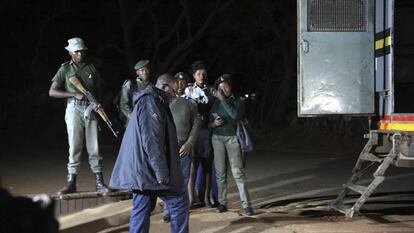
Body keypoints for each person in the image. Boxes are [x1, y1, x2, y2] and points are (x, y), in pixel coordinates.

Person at [109, 74, 189, 233]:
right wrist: (161, 171)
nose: (175, 96)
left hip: (142, 171)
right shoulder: (151, 102)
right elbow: (151, 141)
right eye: (174, 91)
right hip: (149, 171)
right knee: (179, 200)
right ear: (164, 87)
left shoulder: (152, 101)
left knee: (141, 208)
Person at [49, 37, 109, 195]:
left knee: (94, 146)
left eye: (82, 51)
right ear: (70, 53)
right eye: (76, 51)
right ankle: (71, 182)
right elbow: (52, 91)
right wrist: (73, 94)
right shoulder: (65, 69)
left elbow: (100, 88)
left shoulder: (91, 68)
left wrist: (98, 103)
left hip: (91, 107)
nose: (80, 54)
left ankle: (99, 182)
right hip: (73, 108)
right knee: (74, 146)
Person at [209, 74, 253, 216]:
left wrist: (222, 100)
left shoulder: (238, 101)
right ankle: (222, 202)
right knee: (220, 173)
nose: (223, 90)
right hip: (217, 139)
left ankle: (246, 205)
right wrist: (213, 123)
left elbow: (235, 115)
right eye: (220, 88)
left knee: (238, 173)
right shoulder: (215, 103)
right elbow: (209, 122)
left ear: (230, 87)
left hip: (233, 139)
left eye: (226, 87)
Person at [162, 72, 199, 223]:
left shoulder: (191, 103)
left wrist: (190, 142)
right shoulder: (166, 101)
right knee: (167, 177)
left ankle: (180, 208)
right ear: (174, 83)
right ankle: (167, 208)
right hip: (168, 145)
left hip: (184, 144)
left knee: (183, 178)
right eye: (178, 81)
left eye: (184, 82)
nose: (180, 84)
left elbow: (196, 124)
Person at [184, 61, 216, 207]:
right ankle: (191, 199)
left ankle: (206, 198)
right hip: (194, 130)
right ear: (193, 76)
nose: (201, 76)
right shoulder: (189, 90)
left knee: (207, 167)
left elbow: (213, 108)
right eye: (198, 74)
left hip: (207, 129)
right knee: (192, 167)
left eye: (203, 74)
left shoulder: (211, 90)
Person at [119, 59, 151, 126]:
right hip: (134, 123)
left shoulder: (151, 87)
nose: (144, 72)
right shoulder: (131, 85)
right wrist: (134, 118)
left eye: (146, 70)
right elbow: (124, 105)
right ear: (137, 73)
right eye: (141, 70)